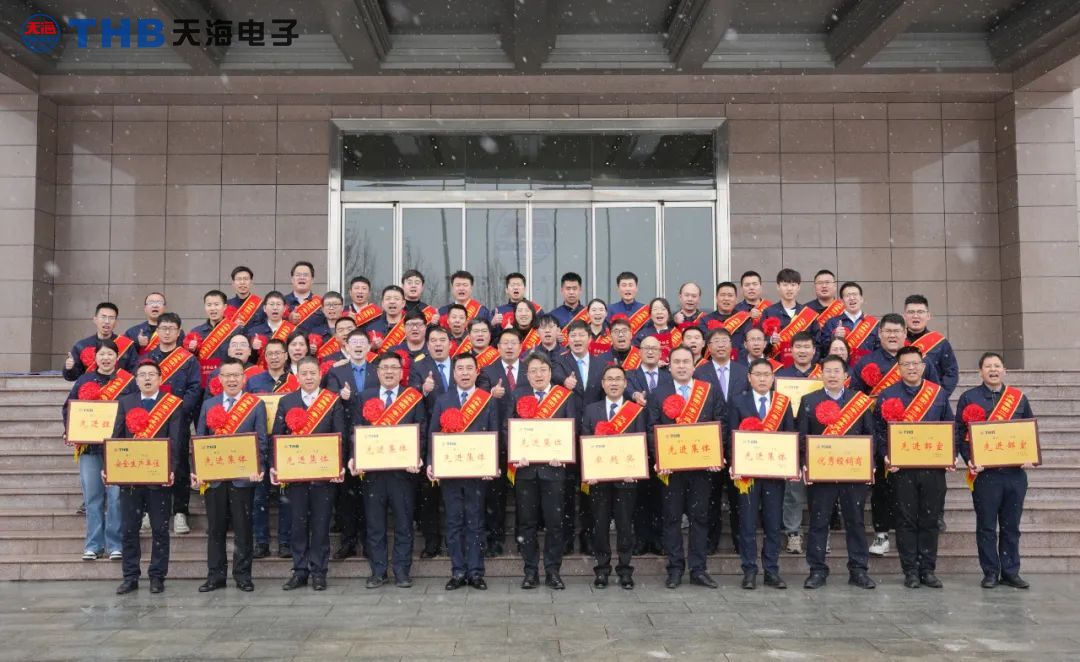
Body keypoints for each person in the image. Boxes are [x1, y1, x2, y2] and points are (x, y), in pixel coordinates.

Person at [851, 313, 939, 557]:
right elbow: (854, 398)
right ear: (879, 334)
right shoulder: (866, 362)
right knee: (882, 487)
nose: (892, 335)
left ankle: (915, 532)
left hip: (917, 437)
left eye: (897, 331)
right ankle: (881, 533)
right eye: (887, 331)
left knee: (919, 488)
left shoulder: (920, 361)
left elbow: (934, 393)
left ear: (905, 333)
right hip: (880, 433)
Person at [874, 346, 954, 589]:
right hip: (902, 471)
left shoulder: (937, 394)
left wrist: (950, 455)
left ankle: (927, 570)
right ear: (898, 368)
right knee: (905, 521)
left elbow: (950, 426)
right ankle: (910, 570)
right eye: (906, 364)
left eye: (915, 363)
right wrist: (886, 455)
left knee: (930, 520)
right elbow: (879, 431)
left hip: (933, 469)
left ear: (923, 366)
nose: (911, 368)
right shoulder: (887, 395)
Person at [955, 352, 1034, 589]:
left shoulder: (1018, 398)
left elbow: (1028, 429)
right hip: (985, 475)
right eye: (988, 366)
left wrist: (1028, 455)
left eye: (997, 366)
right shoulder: (969, 397)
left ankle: (1010, 572)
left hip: (1014, 474)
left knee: (1011, 527)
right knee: (987, 526)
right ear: (980, 372)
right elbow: (959, 433)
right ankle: (990, 572)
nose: (993, 370)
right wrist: (970, 459)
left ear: (1004, 370)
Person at [349, 352, 428, 589]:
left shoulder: (412, 397)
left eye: (394, 367)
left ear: (402, 372)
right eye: (385, 367)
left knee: (404, 524)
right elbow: (355, 431)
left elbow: (421, 432)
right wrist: (355, 457)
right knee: (375, 525)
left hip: (403, 474)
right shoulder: (364, 397)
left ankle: (402, 571)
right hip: (373, 474)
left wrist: (417, 457)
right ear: (377, 372)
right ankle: (378, 571)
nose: (390, 372)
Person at [798, 354, 877, 590]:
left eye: (836, 371)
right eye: (827, 371)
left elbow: (870, 434)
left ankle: (858, 570)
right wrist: (804, 462)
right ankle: (817, 570)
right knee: (819, 522)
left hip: (853, 472)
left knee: (855, 521)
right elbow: (802, 437)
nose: (832, 375)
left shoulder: (859, 401)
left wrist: (870, 462)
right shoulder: (809, 400)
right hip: (821, 473)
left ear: (846, 376)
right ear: (821, 374)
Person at [650, 345, 725, 590]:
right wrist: (659, 458)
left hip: (701, 470)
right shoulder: (658, 393)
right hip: (671, 471)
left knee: (699, 519)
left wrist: (716, 454)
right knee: (671, 519)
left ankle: (698, 569)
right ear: (669, 366)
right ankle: (674, 569)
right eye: (677, 362)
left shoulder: (709, 391)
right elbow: (651, 428)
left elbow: (721, 423)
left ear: (694, 366)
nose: (681, 366)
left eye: (686, 362)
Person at [270, 356, 346, 591]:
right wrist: (275, 465)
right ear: (297, 376)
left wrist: (339, 465)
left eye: (313, 373)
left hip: (323, 475)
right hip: (296, 476)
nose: (309, 377)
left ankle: (319, 572)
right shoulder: (287, 401)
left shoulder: (331, 401)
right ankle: (300, 570)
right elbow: (277, 437)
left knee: (321, 525)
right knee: (298, 525)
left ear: (320, 375)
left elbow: (340, 435)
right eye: (304, 373)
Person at [193, 357, 268, 593]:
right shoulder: (209, 404)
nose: (232, 380)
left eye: (236, 375)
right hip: (215, 478)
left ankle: (243, 575)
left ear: (244, 379)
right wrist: (198, 471)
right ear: (220, 379)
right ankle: (215, 576)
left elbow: (261, 441)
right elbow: (200, 440)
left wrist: (258, 467)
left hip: (243, 478)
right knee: (215, 529)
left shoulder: (255, 404)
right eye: (227, 375)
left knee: (243, 528)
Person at [428, 351, 500, 590]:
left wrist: (493, 464)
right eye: (460, 369)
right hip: (450, 473)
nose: (465, 373)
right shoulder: (443, 400)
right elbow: (433, 434)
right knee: (453, 522)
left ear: (477, 372)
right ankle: (458, 571)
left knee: (475, 523)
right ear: (454, 373)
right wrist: (431, 462)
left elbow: (495, 434)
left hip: (477, 473)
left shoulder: (486, 400)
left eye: (470, 368)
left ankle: (476, 572)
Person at [507, 352, 578, 590]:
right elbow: (508, 429)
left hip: (554, 471)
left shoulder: (564, 397)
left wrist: (565, 455)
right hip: (525, 471)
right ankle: (530, 572)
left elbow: (573, 430)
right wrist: (515, 454)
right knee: (527, 523)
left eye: (543, 370)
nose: (538, 375)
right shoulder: (517, 395)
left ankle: (552, 571)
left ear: (550, 372)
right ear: (527, 375)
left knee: (555, 523)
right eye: (533, 371)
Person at [112, 360, 184, 595]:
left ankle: (157, 576)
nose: (147, 378)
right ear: (136, 380)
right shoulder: (125, 402)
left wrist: (171, 469)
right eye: (142, 374)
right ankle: (130, 576)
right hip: (131, 477)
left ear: (160, 379)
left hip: (158, 476)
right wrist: (109, 467)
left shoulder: (171, 404)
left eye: (152, 374)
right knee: (129, 529)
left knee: (160, 529)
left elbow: (176, 441)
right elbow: (117, 437)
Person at [63, 339, 137, 561]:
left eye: (110, 354)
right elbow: (68, 408)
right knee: (93, 497)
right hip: (90, 448)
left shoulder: (128, 382)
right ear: (95, 358)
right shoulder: (84, 380)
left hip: (117, 448)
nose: (106, 358)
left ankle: (115, 544)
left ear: (117, 357)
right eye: (102, 354)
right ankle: (94, 545)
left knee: (116, 498)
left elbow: (134, 411)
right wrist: (70, 429)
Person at [727, 358, 796, 590]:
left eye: (767, 374)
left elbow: (789, 436)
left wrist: (791, 464)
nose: (763, 379)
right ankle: (749, 570)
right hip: (747, 475)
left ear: (773, 377)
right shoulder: (738, 401)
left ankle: (771, 570)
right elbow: (731, 436)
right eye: (758, 374)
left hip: (774, 474)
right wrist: (734, 463)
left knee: (772, 524)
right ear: (749, 377)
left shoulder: (783, 403)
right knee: (747, 523)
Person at [582, 364, 647, 590]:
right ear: (602, 384)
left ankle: (625, 570)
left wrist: (636, 470)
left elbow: (641, 441)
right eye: (609, 379)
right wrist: (588, 472)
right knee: (599, 525)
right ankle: (602, 569)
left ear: (625, 384)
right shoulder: (591, 410)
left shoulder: (635, 410)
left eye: (618, 379)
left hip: (626, 479)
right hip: (598, 480)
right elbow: (585, 441)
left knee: (625, 525)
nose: (613, 383)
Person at [324, 329, 380, 560]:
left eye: (362, 342)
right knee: (347, 497)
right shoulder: (336, 372)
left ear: (368, 347)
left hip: (372, 439)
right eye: (353, 342)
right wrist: (340, 396)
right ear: (346, 347)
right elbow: (326, 401)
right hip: (346, 439)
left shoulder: (378, 370)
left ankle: (369, 543)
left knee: (370, 495)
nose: (357, 346)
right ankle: (348, 542)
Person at [147, 312, 203, 535]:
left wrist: (176, 411)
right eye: (163, 328)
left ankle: (180, 511)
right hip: (152, 421)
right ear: (157, 331)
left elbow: (194, 388)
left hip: (178, 420)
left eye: (171, 328)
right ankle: (149, 511)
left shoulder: (188, 360)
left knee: (179, 465)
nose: (167, 332)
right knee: (152, 463)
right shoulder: (148, 359)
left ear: (179, 332)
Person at [694, 328, 749, 554]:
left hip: (739, 443)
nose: (720, 345)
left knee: (740, 497)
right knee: (710, 496)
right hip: (711, 443)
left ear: (731, 345)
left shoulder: (744, 371)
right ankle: (710, 541)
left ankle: (740, 542)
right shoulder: (700, 373)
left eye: (724, 341)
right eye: (715, 342)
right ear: (708, 347)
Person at [557, 321, 607, 555]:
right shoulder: (560, 363)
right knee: (566, 492)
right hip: (568, 436)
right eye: (573, 335)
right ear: (567, 340)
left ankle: (588, 539)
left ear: (590, 338)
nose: (577, 339)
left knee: (591, 492)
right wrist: (562, 381)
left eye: (581, 335)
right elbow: (550, 377)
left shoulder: (601, 363)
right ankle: (566, 540)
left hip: (594, 436)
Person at [246, 338, 297, 558]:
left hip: (286, 445)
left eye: (278, 353)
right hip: (259, 444)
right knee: (259, 497)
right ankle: (261, 542)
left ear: (286, 356)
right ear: (264, 357)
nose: (274, 357)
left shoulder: (295, 381)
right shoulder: (253, 381)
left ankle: (285, 542)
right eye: (270, 354)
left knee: (287, 497)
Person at [477, 329, 523, 556]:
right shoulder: (488, 371)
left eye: (513, 343)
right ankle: (495, 539)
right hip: (497, 442)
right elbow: (476, 401)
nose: (509, 347)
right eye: (505, 343)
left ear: (521, 347)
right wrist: (489, 395)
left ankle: (523, 539)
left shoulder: (531, 369)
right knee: (495, 495)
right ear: (497, 348)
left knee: (524, 494)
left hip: (524, 442)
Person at [410, 325, 454, 558]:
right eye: (434, 340)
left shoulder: (462, 364)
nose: (438, 344)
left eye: (442, 340)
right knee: (429, 496)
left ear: (450, 343)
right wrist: (423, 390)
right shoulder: (419, 367)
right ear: (427, 345)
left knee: (457, 492)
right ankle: (432, 542)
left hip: (460, 438)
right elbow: (410, 400)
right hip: (431, 437)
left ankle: (458, 540)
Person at [626, 335, 671, 556]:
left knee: (662, 495)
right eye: (646, 348)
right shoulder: (630, 376)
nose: (651, 352)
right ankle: (641, 539)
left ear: (661, 352)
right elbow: (624, 391)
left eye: (655, 348)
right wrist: (634, 395)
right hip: (638, 441)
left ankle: (660, 539)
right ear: (639, 352)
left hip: (664, 442)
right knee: (640, 496)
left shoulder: (669, 376)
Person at [775, 331, 820, 554]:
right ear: (791, 350)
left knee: (819, 491)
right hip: (790, 438)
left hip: (818, 440)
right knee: (792, 491)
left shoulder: (823, 375)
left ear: (814, 350)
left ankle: (821, 534)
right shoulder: (780, 376)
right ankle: (793, 533)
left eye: (806, 347)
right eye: (798, 347)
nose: (802, 351)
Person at [63, 302, 136, 382]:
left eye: (111, 318)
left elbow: (134, 371)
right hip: (90, 388)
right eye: (103, 317)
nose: (107, 321)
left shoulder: (127, 345)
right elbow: (72, 377)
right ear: (95, 319)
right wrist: (69, 368)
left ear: (116, 322)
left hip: (118, 388)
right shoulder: (82, 346)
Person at [904, 294, 959, 397]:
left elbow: (951, 373)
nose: (915, 316)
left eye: (920, 312)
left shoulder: (940, 343)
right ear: (904, 316)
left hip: (929, 399)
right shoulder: (895, 341)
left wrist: (939, 396)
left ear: (928, 316)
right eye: (911, 312)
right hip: (899, 399)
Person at [761, 268, 819, 368]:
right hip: (776, 369)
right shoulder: (769, 312)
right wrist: (771, 341)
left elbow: (818, 344)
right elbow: (760, 342)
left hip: (804, 370)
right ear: (778, 287)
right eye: (785, 285)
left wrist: (809, 365)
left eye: (793, 285)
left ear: (798, 287)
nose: (789, 289)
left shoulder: (808, 314)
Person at [186, 290, 243, 388]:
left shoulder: (235, 330)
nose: (213, 308)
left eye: (216, 304)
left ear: (224, 307)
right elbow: (191, 361)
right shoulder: (196, 332)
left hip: (228, 380)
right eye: (209, 305)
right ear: (205, 307)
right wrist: (192, 350)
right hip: (202, 381)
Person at [817, 281, 878, 363]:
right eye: (848, 295)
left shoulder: (873, 323)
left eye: (855, 294)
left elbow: (879, 349)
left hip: (866, 367)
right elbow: (823, 350)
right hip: (841, 367)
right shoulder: (831, 323)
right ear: (842, 301)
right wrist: (834, 338)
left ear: (861, 299)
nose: (852, 298)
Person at [698, 281, 752, 359]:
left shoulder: (745, 320)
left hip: (739, 361)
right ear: (716, 298)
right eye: (722, 295)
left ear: (736, 299)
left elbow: (747, 344)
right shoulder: (705, 320)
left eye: (730, 295)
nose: (726, 299)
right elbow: (705, 345)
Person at [245, 291, 295, 365]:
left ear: (284, 308)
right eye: (271, 304)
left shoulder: (293, 331)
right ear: (264, 308)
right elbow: (248, 360)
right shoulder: (253, 332)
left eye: (278, 304)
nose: (275, 308)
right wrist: (253, 350)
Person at [360, 285, 407, 352]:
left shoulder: (411, 326)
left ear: (403, 303)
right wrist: (372, 347)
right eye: (388, 299)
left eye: (396, 299)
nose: (392, 301)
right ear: (382, 303)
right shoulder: (372, 328)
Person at [633, 298, 681, 363]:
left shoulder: (677, 334)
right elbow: (636, 357)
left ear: (669, 314)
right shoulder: (642, 335)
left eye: (663, 309)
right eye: (655, 309)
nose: (659, 312)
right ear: (650, 315)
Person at [284, 261, 325, 332]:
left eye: (305, 275)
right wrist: (288, 319)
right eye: (298, 275)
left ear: (312, 280)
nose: (302, 277)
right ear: (292, 280)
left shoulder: (321, 303)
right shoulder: (282, 302)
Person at [124, 292, 166, 356]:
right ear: (145, 309)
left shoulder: (174, 331)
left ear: (164, 308)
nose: (155, 306)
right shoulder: (132, 332)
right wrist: (137, 343)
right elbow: (124, 356)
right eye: (151, 302)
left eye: (159, 302)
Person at [226, 266, 266, 330]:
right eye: (239, 279)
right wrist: (233, 325)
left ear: (251, 283)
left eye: (246, 279)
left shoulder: (261, 305)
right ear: (233, 284)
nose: (242, 282)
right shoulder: (226, 305)